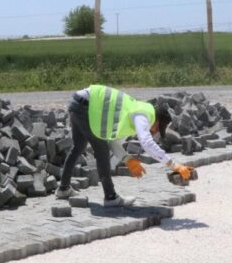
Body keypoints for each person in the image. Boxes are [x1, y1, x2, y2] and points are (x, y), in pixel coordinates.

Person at [55, 84, 194, 206]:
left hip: (78, 102)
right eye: (159, 128)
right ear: (156, 120)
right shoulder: (143, 115)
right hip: (86, 107)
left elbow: (113, 142)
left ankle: (63, 189)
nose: (156, 131)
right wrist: (175, 165)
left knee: (78, 147)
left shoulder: (133, 112)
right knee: (101, 151)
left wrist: (128, 159)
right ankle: (111, 197)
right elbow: (146, 143)